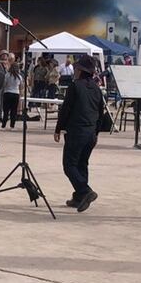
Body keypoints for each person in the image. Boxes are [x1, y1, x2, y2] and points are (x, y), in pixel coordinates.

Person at [54, 56, 105, 212]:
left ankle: (85, 191)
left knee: (69, 165)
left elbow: (66, 109)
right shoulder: (96, 88)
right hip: (90, 132)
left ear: (81, 71)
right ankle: (78, 198)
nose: (74, 71)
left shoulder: (75, 87)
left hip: (77, 131)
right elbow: (100, 112)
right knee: (82, 164)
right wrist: (96, 133)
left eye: (76, 69)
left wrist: (58, 128)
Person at [1, 59, 23, 129]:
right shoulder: (19, 76)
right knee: (14, 111)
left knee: (6, 110)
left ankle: (3, 125)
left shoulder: (7, 75)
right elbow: (21, 86)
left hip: (7, 92)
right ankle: (12, 126)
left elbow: (4, 84)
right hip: (16, 93)